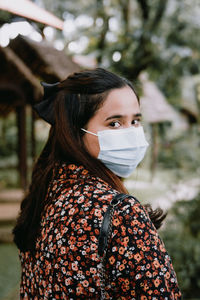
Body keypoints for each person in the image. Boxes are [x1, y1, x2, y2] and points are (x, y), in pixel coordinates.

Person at [13, 68, 181, 299]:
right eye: (114, 123)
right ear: (74, 132)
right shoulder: (121, 213)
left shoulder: (43, 197)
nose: (131, 133)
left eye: (135, 120)